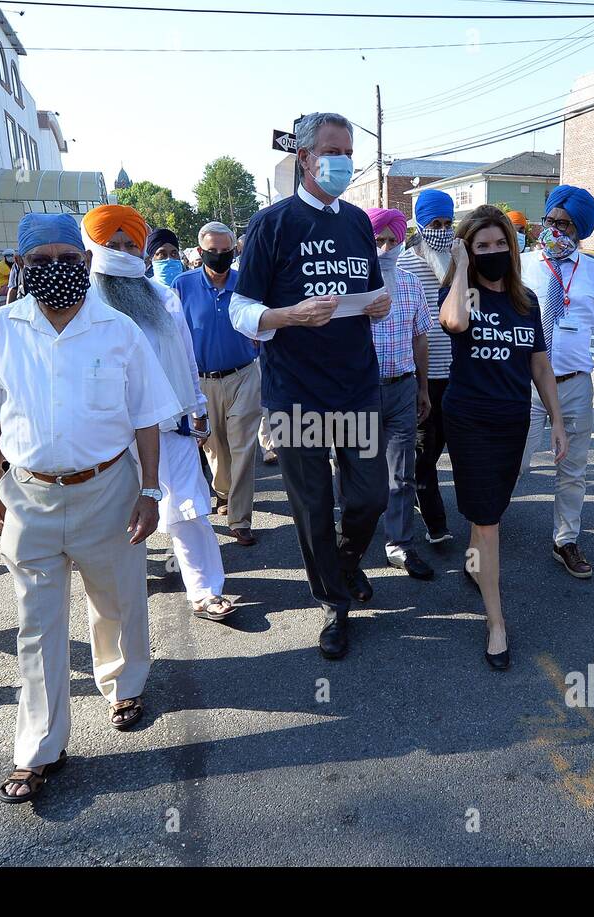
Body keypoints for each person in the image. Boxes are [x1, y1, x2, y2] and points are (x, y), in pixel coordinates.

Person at [0, 213, 179, 803]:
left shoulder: (119, 329)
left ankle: (123, 682)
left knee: (118, 600)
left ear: (85, 263)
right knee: (37, 625)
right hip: (27, 496)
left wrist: (151, 490)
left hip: (109, 489)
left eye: (68, 258)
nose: (57, 269)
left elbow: (147, 413)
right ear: (23, 266)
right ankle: (38, 747)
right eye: (42, 259)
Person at [230, 111, 392, 660]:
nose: (343, 160)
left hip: (356, 386)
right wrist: (292, 316)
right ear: (303, 157)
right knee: (314, 507)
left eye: (348, 151)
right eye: (332, 150)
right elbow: (240, 310)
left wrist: (377, 306)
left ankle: (344, 567)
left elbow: (367, 296)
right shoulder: (271, 224)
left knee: (370, 497)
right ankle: (333, 604)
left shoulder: (356, 225)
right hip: (295, 391)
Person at [83, 204, 237, 622]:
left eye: (130, 244)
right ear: (93, 247)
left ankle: (205, 590)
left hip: (172, 423)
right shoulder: (84, 303)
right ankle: (120, 599)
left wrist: (198, 408)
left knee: (191, 509)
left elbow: (186, 357)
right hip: (110, 434)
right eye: (110, 244)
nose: (121, 251)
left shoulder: (163, 295)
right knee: (116, 516)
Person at [438, 205, 567, 671]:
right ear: (469, 251)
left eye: (498, 244)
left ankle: (475, 568)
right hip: (469, 421)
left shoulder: (526, 301)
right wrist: (460, 268)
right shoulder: (462, 294)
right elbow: (453, 323)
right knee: (488, 519)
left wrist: (555, 419)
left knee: (484, 511)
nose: (492, 252)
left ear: (511, 249)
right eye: (481, 245)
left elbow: (539, 363)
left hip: (513, 420)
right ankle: (496, 622)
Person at [517, 185, 594, 579]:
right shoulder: (521, 265)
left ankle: (565, 540)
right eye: (551, 221)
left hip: (575, 385)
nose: (556, 229)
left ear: (581, 230)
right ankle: (486, 532)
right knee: (515, 463)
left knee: (573, 469)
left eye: (565, 224)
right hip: (524, 385)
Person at [173, 220, 260, 546]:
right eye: (213, 252)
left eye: (226, 251)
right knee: (214, 448)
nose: (220, 257)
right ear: (200, 252)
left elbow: (263, 320)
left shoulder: (247, 282)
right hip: (200, 381)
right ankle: (223, 490)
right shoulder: (182, 286)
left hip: (243, 376)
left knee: (242, 447)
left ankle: (240, 518)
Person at [367, 206, 434, 580]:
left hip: (402, 389)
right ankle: (353, 540)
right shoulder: (352, 285)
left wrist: (423, 387)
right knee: (358, 473)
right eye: (378, 240)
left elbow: (419, 336)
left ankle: (401, 545)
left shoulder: (410, 282)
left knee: (402, 474)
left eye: (392, 240)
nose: (386, 248)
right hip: (360, 394)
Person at [398, 189, 456, 546]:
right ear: (421, 224)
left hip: (456, 375)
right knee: (423, 451)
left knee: (441, 449)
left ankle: (419, 496)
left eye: (448, 223)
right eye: (435, 223)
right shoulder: (404, 264)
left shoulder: (461, 261)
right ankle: (437, 525)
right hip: (420, 377)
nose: (442, 229)